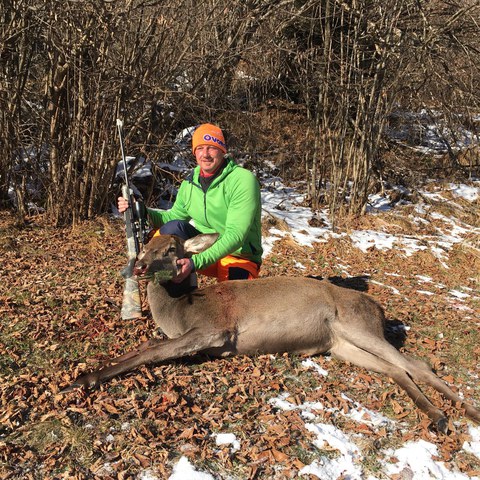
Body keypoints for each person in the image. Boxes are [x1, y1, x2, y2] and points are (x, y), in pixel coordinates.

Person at [118, 123, 263, 284]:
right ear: (194, 152)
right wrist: (143, 211)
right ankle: (163, 283)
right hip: (202, 249)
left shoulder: (242, 180)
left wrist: (194, 263)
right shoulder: (190, 182)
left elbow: (236, 235)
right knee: (172, 229)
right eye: (200, 148)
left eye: (212, 148)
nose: (205, 154)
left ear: (223, 150)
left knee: (230, 303)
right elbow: (171, 218)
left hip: (238, 256)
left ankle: (183, 277)